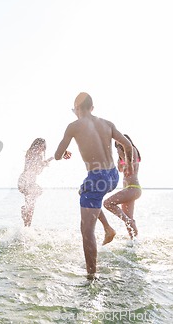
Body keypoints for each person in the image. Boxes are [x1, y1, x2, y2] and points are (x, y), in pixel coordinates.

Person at [54, 92, 136, 277]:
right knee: (85, 193)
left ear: (77, 108)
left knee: (86, 230)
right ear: (92, 108)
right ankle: (108, 229)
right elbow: (128, 146)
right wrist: (129, 166)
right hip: (112, 176)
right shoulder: (107, 124)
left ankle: (91, 277)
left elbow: (58, 155)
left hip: (96, 178)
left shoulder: (73, 126)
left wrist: (65, 152)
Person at [104, 134, 142, 239]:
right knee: (129, 219)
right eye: (116, 146)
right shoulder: (122, 156)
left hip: (133, 188)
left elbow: (129, 169)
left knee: (107, 203)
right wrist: (119, 155)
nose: (118, 147)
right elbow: (121, 170)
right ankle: (134, 242)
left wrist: (122, 153)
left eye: (120, 144)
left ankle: (127, 221)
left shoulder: (132, 150)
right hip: (128, 189)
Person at [18, 138, 54, 227]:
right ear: (37, 145)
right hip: (27, 181)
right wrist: (45, 163)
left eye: (44, 147)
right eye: (42, 146)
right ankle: (27, 224)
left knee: (30, 206)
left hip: (25, 180)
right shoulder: (35, 155)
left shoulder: (29, 153)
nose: (42, 149)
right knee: (31, 206)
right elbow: (36, 170)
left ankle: (26, 225)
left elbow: (35, 170)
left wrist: (45, 162)